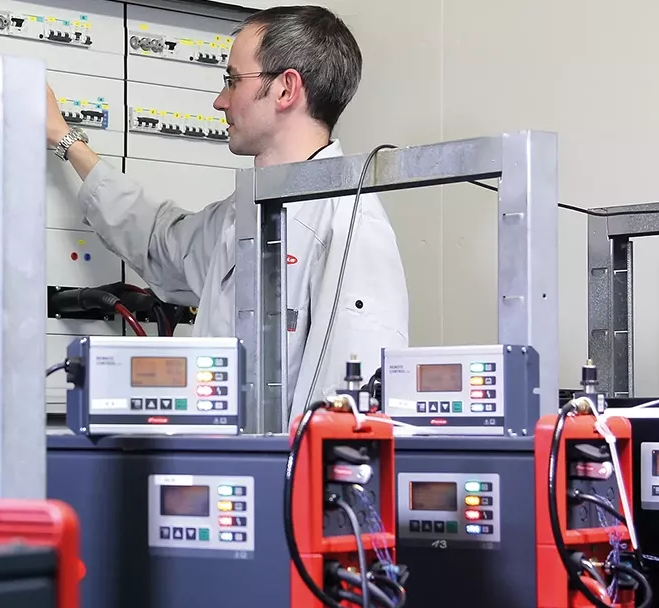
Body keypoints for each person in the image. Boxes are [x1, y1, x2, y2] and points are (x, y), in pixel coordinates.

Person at [45, 5, 408, 415]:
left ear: (286, 89)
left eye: (233, 81)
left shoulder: (349, 222)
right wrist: (65, 138)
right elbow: (161, 242)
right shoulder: (244, 215)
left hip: (282, 476)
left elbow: (351, 414)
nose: (220, 102)